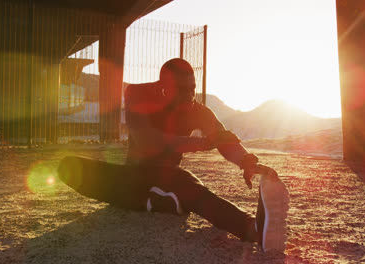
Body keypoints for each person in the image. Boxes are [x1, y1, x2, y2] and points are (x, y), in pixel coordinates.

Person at [58, 58, 289, 253]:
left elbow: (222, 138)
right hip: (135, 176)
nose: (190, 94)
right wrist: (200, 143)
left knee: (195, 193)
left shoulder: (197, 109)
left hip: (171, 176)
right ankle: (158, 202)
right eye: (183, 89)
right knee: (68, 166)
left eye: (193, 88)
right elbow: (148, 140)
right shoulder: (137, 94)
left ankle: (253, 230)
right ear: (164, 87)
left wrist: (246, 161)